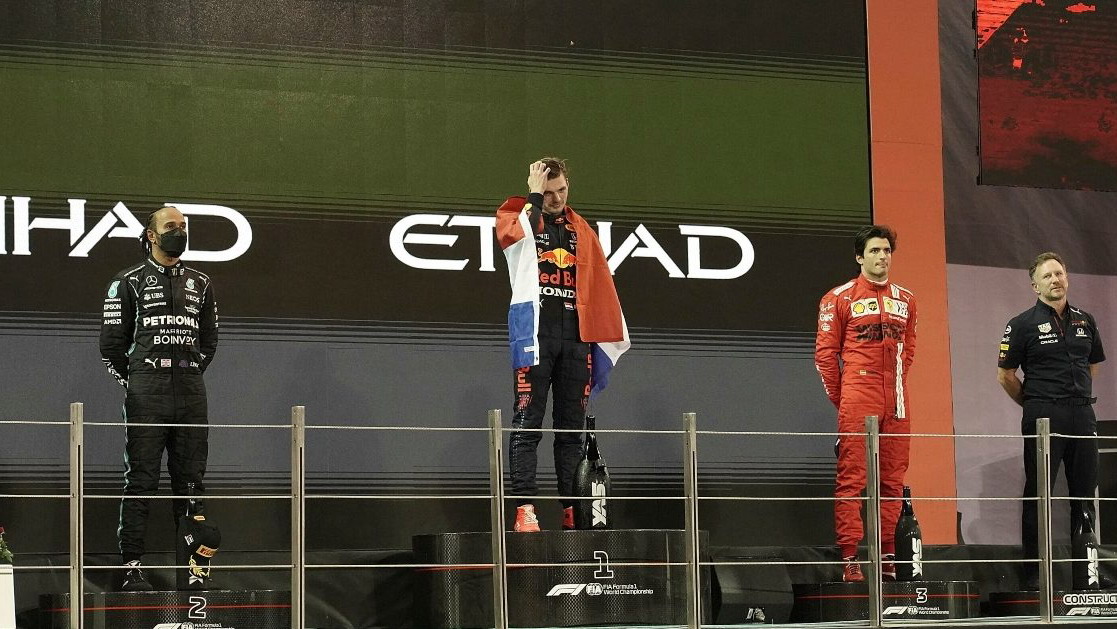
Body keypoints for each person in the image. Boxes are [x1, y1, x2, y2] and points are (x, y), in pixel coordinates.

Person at [495, 158, 628, 532]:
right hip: (534, 336)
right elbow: (514, 236)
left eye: (562, 190)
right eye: (548, 192)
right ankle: (525, 510)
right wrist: (533, 195)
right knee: (527, 425)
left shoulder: (581, 229)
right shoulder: (516, 214)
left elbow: (601, 287)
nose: (556, 199)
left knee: (571, 433)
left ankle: (573, 510)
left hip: (576, 339)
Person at [99, 205, 219, 590]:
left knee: (191, 483)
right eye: (171, 226)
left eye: (183, 226)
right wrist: (139, 382)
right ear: (151, 235)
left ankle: (194, 572)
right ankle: (132, 568)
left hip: (190, 393)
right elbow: (111, 347)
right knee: (141, 481)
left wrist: (184, 373)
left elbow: (209, 343)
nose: (179, 231)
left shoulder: (202, 283)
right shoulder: (127, 282)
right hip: (147, 394)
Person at [815, 225, 917, 582]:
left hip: (897, 398)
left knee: (893, 480)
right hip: (858, 393)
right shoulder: (838, 298)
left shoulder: (907, 299)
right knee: (852, 479)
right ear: (860, 257)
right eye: (874, 250)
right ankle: (850, 558)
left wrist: (896, 382)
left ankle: (888, 557)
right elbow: (825, 357)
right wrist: (845, 398)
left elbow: (910, 349)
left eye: (886, 250)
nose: (882, 256)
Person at [997, 252, 1105, 590]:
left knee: (1084, 495)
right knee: (1039, 494)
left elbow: (1092, 365)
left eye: (1059, 273)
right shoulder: (1022, 323)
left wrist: (1074, 397)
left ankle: (1087, 573)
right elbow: (1005, 375)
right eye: (1047, 276)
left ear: (1066, 277)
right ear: (1035, 286)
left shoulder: (1085, 320)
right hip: (1043, 414)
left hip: (1082, 414)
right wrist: (1033, 403)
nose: (1055, 280)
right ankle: (1033, 574)